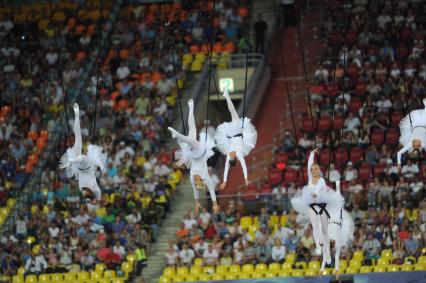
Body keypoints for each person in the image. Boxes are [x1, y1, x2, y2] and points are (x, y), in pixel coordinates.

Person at [290, 148, 344, 264]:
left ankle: (328, 254)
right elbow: (309, 164)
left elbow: (319, 189)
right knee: (315, 226)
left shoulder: (322, 181)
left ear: (319, 171)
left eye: (316, 169)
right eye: (313, 169)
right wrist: (311, 154)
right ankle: (319, 247)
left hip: (321, 204)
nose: (314, 171)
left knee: (324, 229)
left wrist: (315, 193)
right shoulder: (310, 178)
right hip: (311, 204)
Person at [168, 99, 219, 214]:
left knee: (192, 130)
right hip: (200, 153)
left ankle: (191, 108)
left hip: (192, 155)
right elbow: (212, 192)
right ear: (202, 181)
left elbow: (195, 194)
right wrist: (215, 204)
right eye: (199, 182)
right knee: (191, 138)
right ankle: (177, 135)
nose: (196, 181)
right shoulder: (206, 178)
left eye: (196, 183)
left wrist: (197, 202)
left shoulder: (192, 180)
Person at [59, 103, 107, 203]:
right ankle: (72, 160)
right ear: (91, 193)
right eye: (87, 195)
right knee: (81, 158)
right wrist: (97, 200)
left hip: (79, 168)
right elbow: (98, 197)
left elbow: (89, 198)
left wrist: (90, 200)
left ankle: (76, 115)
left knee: (78, 136)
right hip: (87, 165)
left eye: (85, 195)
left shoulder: (82, 189)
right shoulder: (94, 188)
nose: (85, 193)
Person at [215, 89, 258, 190]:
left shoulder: (239, 155)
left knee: (233, 111)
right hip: (231, 133)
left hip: (237, 132)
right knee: (232, 112)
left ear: (236, 161)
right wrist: (224, 181)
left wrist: (246, 178)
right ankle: (226, 96)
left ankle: (226, 96)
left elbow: (244, 167)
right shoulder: (229, 156)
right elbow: (226, 169)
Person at [321, 181, 354, 272]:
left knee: (335, 202)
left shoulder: (327, 241)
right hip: (336, 222)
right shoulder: (337, 245)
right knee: (337, 202)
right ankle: (337, 186)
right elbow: (335, 258)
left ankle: (336, 186)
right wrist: (336, 269)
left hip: (333, 220)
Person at [397, 99, 426, 168]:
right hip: (424, 124)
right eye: (416, 154)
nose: (414, 153)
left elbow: (399, 153)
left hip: (414, 124)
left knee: (412, 113)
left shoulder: (410, 145)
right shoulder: (424, 145)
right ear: (419, 152)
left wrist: (399, 164)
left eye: (413, 154)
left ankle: (414, 103)